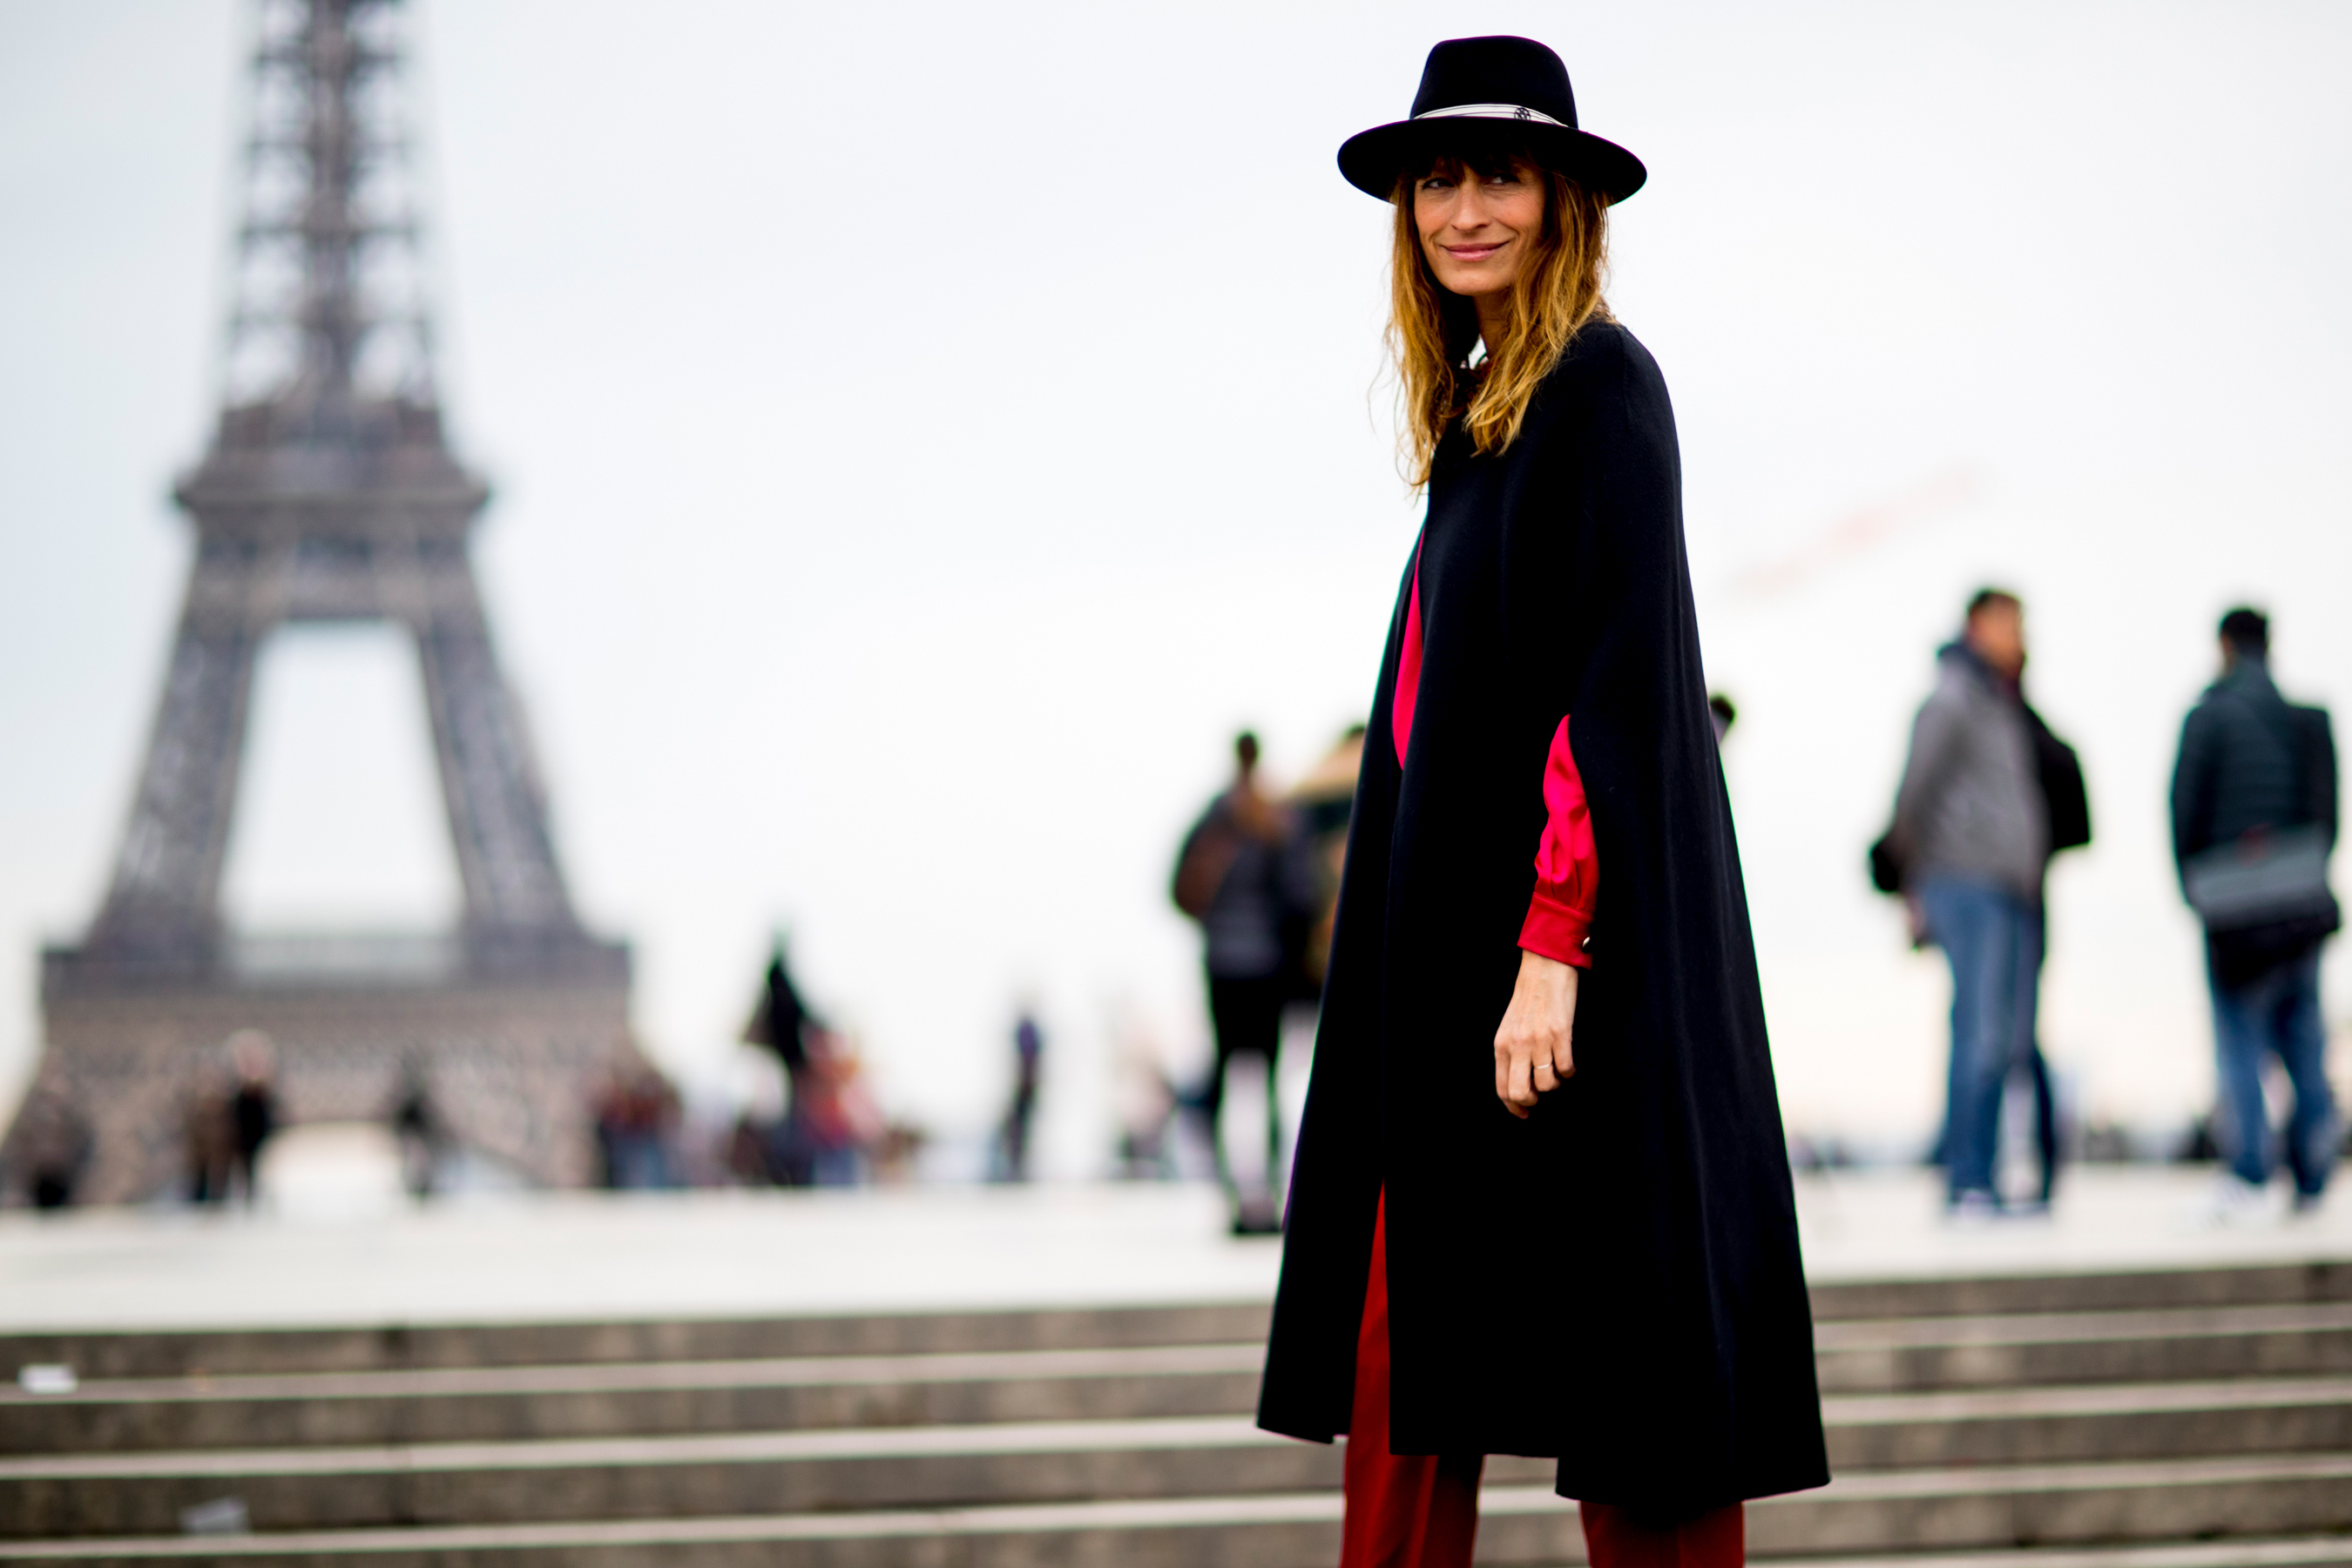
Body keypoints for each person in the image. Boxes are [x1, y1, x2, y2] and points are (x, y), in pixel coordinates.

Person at [1257, 38, 1826, 1568]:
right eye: (1439, 179)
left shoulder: (1599, 387)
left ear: (1562, 198)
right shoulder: (1476, 415)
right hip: (1438, 960)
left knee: (1633, 1354)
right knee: (1397, 1337)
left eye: (1498, 176)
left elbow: (1608, 685)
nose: (1464, 210)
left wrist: (1553, 941)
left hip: (1567, 962)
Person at [1882, 589, 2087, 1216]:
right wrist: (1911, 884)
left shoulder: (2003, 702)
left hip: (2010, 887)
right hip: (1965, 882)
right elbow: (1913, 794)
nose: (2019, 636)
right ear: (1976, 625)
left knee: (2003, 1038)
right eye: (2008, 624)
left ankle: (1987, 1178)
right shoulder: (1951, 701)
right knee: (1980, 1034)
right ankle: (1968, 1180)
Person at [2171, 606, 2339, 1218]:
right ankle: (2313, 1175)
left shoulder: (2207, 717)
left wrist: (2195, 892)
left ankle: (2249, 1174)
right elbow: (2328, 815)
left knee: (2240, 1041)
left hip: (2234, 908)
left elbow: (2183, 811)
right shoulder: (2307, 719)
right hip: (2300, 902)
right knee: (2305, 1040)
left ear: (2224, 645)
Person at [1173, 731, 1318, 1232]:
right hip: (1268, 967)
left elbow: (1179, 891)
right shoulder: (1278, 820)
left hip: (1223, 966)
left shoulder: (1214, 818)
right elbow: (1300, 895)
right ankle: (1270, 1190)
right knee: (1270, 1080)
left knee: (1229, 1074)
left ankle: (1234, 1193)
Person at [994, 1010, 1044, 1182]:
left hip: (1026, 1087)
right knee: (1017, 1131)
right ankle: (1014, 1168)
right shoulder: (1027, 1032)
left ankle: (1016, 1168)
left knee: (1020, 1131)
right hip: (1023, 1087)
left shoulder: (1027, 1032)